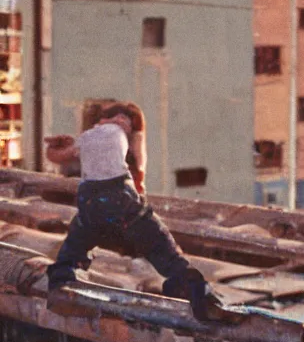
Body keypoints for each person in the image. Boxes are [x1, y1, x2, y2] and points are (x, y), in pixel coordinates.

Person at [44, 101, 221, 320]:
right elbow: (138, 166)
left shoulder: (88, 136)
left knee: (75, 244)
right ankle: (196, 293)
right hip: (118, 194)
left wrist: (55, 145)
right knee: (158, 242)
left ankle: (61, 285)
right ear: (124, 121)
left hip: (88, 199)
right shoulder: (123, 129)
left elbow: (55, 156)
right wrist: (140, 194)